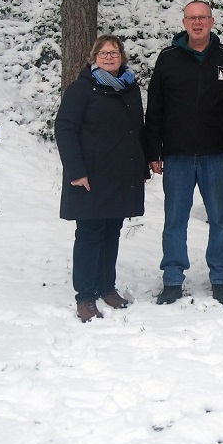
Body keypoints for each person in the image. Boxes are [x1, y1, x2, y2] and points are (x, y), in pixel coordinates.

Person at [145, 0, 223, 306]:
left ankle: (220, 278)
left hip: (217, 156)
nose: (197, 22)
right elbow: (155, 107)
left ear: (212, 21)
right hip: (176, 156)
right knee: (175, 220)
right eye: (192, 18)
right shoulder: (168, 59)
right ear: (184, 22)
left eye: (203, 17)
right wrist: (154, 150)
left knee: (220, 219)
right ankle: (173, 279)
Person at [55, 35, 148, 322]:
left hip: (120, 176)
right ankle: (85, 297)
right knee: (89, 235)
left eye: (115, 52)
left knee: (111, 232)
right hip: (91, 177)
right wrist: (76, 171)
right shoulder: (81, 89)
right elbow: (65, 129)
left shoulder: (129, 89)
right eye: (104, 53)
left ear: (122, 56)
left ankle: (106, 287)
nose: (109, 57)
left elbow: (136, 131)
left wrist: (140, 168)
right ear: (94, 57)